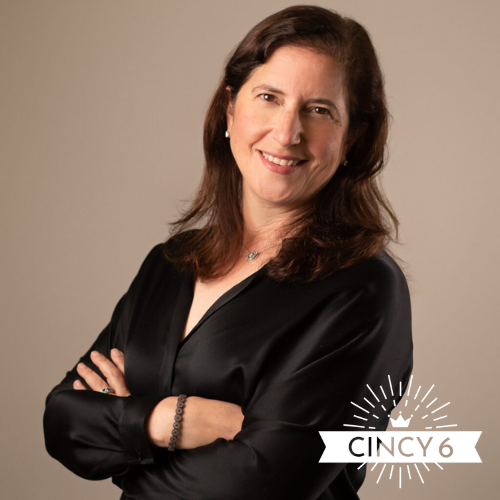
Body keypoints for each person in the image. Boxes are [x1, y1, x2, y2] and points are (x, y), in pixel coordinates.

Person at [43, 5, 413, 499]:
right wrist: (165, 421)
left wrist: (124, 446)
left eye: (319, 110)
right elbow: (63, 420)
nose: (287, 132)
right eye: (269, 97)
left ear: (353, 138)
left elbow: (266, 483)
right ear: (230, 109)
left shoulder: (365, 289)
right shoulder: (169, 264)